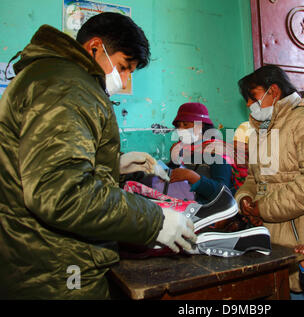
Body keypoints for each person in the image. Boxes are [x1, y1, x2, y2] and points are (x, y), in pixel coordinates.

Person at [0, 13, 196, 299]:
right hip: (59, 267)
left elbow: (38, 166)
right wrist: (155, 220)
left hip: (33, 256)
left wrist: (113, 165)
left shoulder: (46, 76)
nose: (126, 79)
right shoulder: (67, 85)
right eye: (123, 67)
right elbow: (62, 194)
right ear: (94, 48)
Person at [234, 65, 304, 297]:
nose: (250, 105)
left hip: (303, 235)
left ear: (274, 91)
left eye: (253, 97)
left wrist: (264, 208)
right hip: (269, 236)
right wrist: (245, 199)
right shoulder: (260, 131)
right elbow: (253, 177)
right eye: (247, 101)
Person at [169, 102, 237, 204]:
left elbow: (223, 194)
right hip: (187, 204)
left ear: (200, 125)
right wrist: (174, 161)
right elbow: (174, 178)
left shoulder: (216, 151)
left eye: (186, 124)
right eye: (178, 126)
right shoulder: (181, 150)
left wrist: (192, 177)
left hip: (211, 210)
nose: (181, 129)